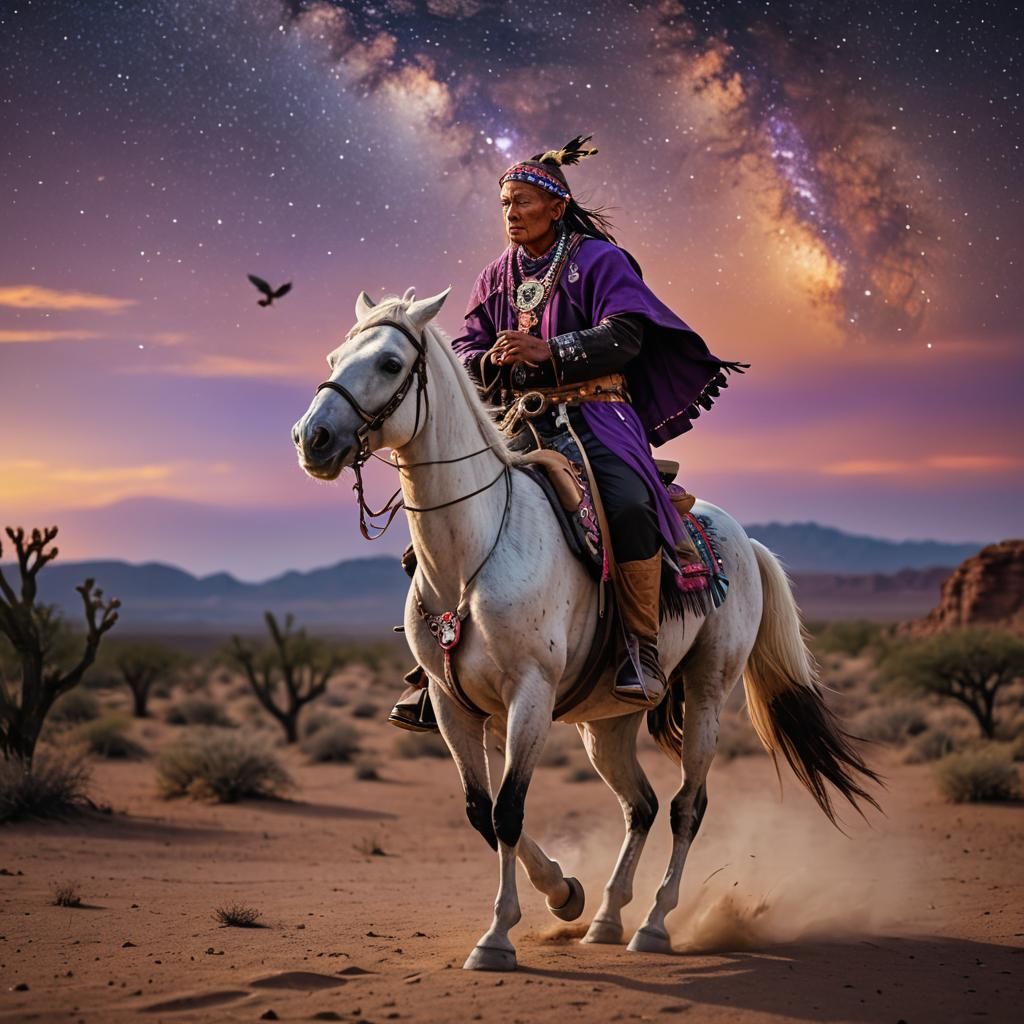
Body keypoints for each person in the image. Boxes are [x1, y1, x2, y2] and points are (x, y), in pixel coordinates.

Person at [389, 134, 746, 732]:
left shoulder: (601, 261)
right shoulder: (495, 276)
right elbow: (468, 345)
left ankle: (640, 648)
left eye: (522, 201)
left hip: (598, 414)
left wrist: (549, 349)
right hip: (517, 422)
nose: (511, 214)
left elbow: (628, 334)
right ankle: (438, 673)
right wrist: (489, 361)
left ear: (556, 206)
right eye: (504, 204)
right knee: (438, 527)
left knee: (630, 506)